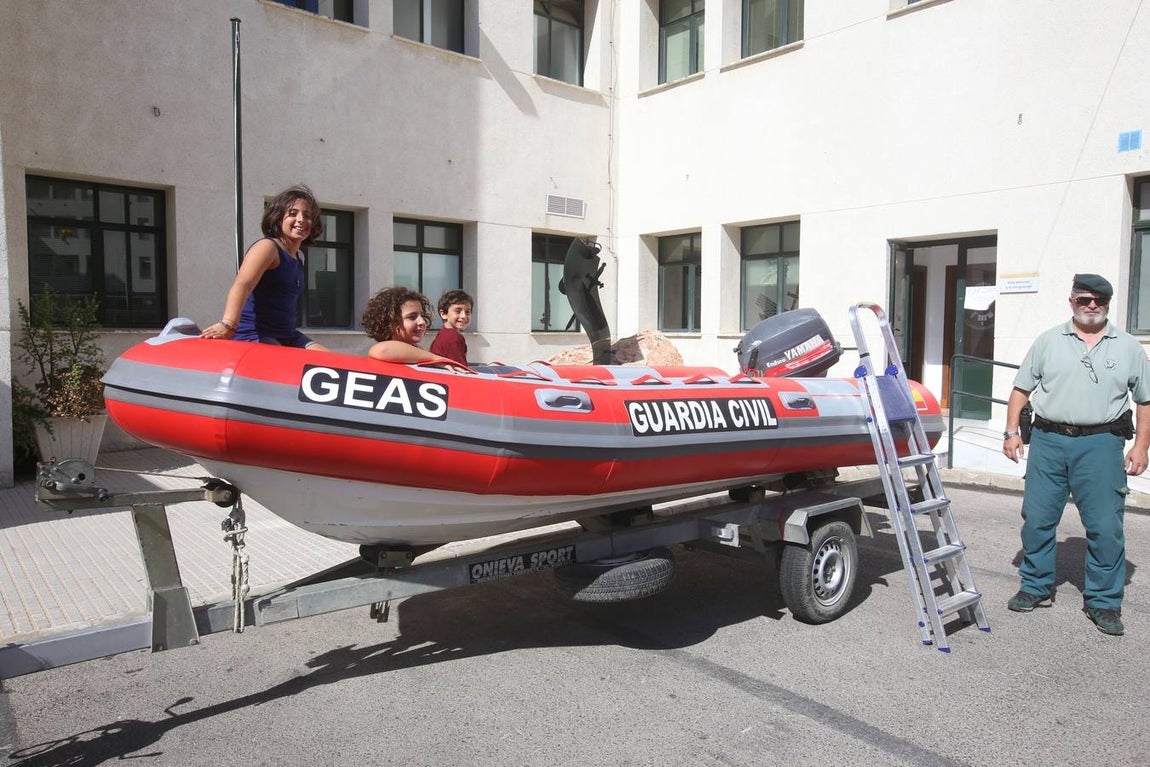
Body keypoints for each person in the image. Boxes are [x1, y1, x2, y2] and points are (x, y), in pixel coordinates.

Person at [1003, 273, 1150, 636]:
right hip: (1049, 441)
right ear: (1072, 301)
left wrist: (1142, 446)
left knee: (1104, 526)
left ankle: (1103, 601)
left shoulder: (1128, 347)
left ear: (1108, 304)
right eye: (1084, 299)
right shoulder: (1049, 341)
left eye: (1099, 300)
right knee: (1037, 518)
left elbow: (1145, 399)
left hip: (1100, 444)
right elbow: (1021, 389)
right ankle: (1035, 586)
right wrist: (1010, 432)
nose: (1092, 306)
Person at [202, 184, 329, 351]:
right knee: (284, 367)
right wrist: (228, 324)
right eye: (292, 214)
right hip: (254, 335)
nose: (301, 220)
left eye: (307, 216)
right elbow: (243, 284)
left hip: (287, 335)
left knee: (332, 360)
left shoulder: (300, 257)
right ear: (278, 218)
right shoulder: (267, 248)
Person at [362, 286, 470, 371]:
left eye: (422, 315)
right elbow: (381, 350)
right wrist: (435, 358)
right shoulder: (384, 350)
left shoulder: (417, 353)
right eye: (412, 317)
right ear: (391, 323)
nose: (422, 322)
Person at [429, 289, 473, 367]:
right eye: (458, 311)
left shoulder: (443, 333)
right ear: (443, 314)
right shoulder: (453, 336)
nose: (464, 316)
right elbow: (461, 368)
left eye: (467, 312)